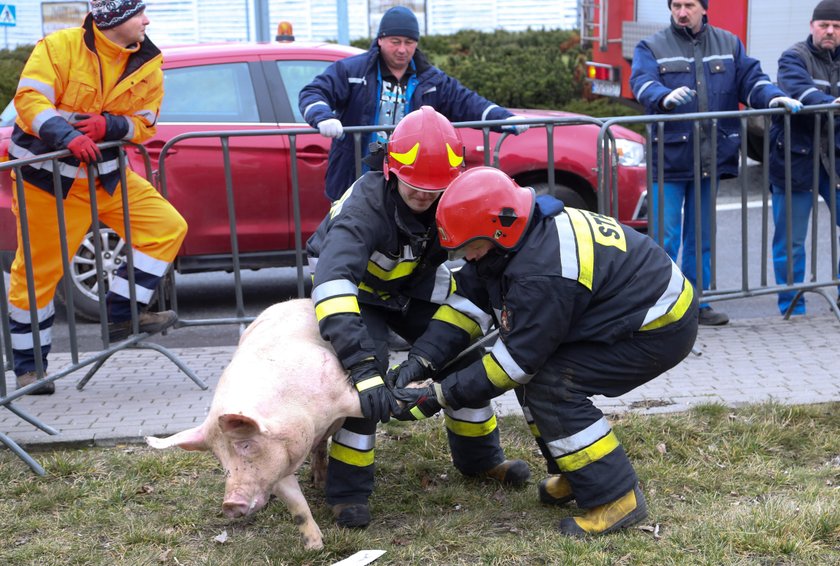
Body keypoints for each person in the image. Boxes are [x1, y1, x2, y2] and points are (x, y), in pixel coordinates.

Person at [390, 166, 699, 536]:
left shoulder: (541, 273)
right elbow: (465, 308)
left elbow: (515, 363)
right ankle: (577, 473)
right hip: (633, 310)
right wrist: (419, 359)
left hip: (660, 326)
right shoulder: (511, 239)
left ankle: (616, 498)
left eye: (467, 247)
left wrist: (437, 396)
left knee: (552, 384)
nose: (465, 257)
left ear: (497, 229)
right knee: (541, 379)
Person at [307, 107, 529, 529]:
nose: (425, 197)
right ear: (391, 170)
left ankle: (481, 462)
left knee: (462, 357)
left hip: (410, 288)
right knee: (366, 382)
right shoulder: (364, 210)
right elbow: (334, 286)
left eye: (434, 188)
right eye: (414, 187)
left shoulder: (452, 194)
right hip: (358, 295)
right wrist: (360, 364)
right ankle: (348, 492)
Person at [7, 0, 187, 394]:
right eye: (139, 13)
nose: (147, 20)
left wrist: (112, 124)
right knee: (38, 275)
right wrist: (65, 135)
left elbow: (146, 122)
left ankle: (120, 316)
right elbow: (29, 102)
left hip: (106, 177)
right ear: (115, 18)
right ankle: (29, 368)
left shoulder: (147, 62)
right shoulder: (59, 48)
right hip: (48, 181)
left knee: (166, 227)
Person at [629, 0, 802, 326]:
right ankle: (660, 309)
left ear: (703, 8)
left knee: (700, 237)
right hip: (668, 157)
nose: (682, 11)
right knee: (664, 239)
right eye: (676, 5)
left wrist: (773, 97)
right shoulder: (650, 46)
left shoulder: (729, 43)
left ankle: (696, 304)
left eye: (689, 5)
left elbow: (752, 80)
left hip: (709, 157)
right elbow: (641, 81)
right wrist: (662, 97)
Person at [298, 5, 528, 202]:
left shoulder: (432, 79)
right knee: (350, 238)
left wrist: (504, 118)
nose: (402, 49)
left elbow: (467, 102)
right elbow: (314, 92)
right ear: (380, 40)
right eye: (395, 41)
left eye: (409, 42)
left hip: (409, 179)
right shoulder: (351, 71)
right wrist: (323, 117)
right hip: (355, 177)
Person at [768, 0, 840, 315]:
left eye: (837, 26)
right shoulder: (793, 57)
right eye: (824, 25)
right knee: (791, 240)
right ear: (812, 25)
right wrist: (833, 103)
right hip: (794, 160)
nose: (830, 31)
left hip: (834, 161)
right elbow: (801, 93)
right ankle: (792, 306)